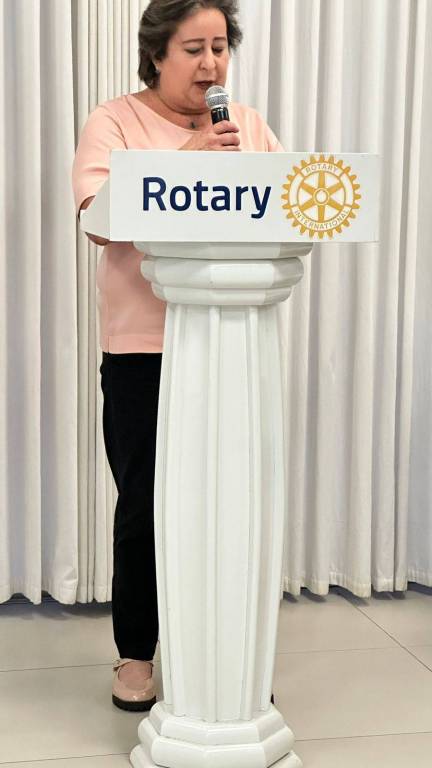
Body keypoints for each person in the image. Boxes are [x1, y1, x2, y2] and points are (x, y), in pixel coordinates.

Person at [72, 0, 284, 712]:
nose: (211, 64)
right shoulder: (115, 121)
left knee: (233, 505)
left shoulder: (246, 125)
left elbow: (285, 208)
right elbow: (97, 219)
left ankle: (228, 661)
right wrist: (185, 161)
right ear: (157, 55)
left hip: (232, 342)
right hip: (144, 349)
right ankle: (137, 654)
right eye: (193, 49)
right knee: (147, 506)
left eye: (220, 47)